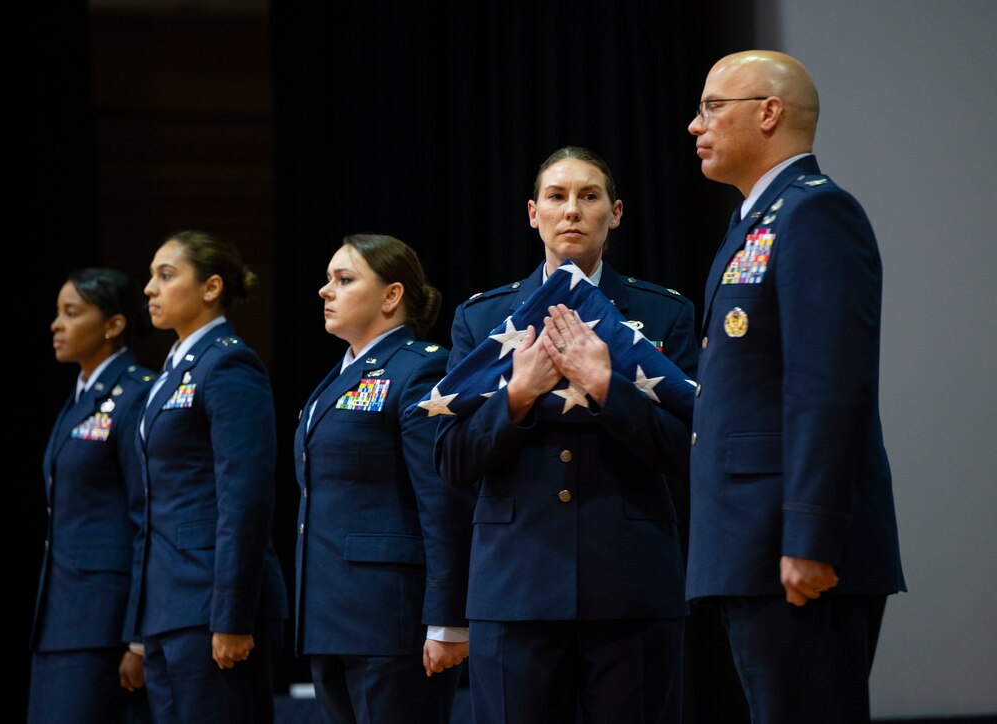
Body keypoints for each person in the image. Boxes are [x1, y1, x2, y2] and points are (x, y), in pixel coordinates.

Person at [435, 146, 698, 723]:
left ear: (617, 212)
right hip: (516, 588)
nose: (572, 210)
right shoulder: (483, 319)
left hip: (631, 585)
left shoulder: (664, 314)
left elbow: (691, 452)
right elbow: (452, 460)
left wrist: (607, 386)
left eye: (589, 196)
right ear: (534, 213)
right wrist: (517, 394)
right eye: (556, 196)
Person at [685, 50, 906, 723]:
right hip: (751, 544)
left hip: (792, 547)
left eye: (711, 107)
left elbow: (828, 385)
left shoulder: (815, 215)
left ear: (769, 112)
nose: (695, 125)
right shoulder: (756, 221)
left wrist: (809, 536)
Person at [294, 233, 475, 723]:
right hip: (331, 618)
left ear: (391, 296)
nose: (325, 291)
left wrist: (447, 618)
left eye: (344, 279)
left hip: (392, 623)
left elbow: (443, 501)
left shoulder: (418, 368)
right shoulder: (336, 377)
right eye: (328, 279)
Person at [135, 230, 289, 723]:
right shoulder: (173, 370)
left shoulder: (228, 364)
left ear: (211, 287)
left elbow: (244, 498)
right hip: (169, 606)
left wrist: (232, 615)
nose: (149, 289)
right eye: (151, 277)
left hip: (211, 605)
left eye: (166, 275)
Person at [29, 267, 154, 723]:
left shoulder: (135, 393)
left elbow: (146, 516)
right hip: (62, 617)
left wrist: (137, 637)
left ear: (113, 324)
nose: (56, 325)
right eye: (58, 312)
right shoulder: (81, 395)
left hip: (105, 625)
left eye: (71, 312)